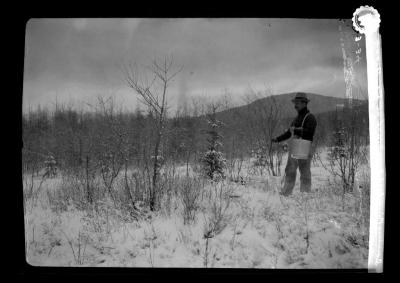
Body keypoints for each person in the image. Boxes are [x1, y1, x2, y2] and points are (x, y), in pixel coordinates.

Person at [272, 92, 317, 196]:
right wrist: (277, 139)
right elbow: (289, 133)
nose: (295, 105)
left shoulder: (310, 117)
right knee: (290, 170)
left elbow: (310, 132)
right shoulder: (296, 119)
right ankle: (286, 193)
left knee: (304, 171)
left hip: (306, 146)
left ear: (304, 103)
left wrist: (297, 130)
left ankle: (305, 194)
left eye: (298, 103)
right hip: (295, 146)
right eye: (295, 102)